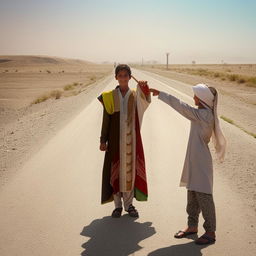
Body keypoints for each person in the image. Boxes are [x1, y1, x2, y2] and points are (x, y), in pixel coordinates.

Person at [150, 84, 226, 245]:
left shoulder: (204, 115)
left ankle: (210, 232)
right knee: (192, 194)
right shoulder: (202, 113)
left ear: (203, 99)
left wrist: (161, 94)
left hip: (201, 161)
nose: (193, 99)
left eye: (196, 96)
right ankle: (192, 226)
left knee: (204, 196)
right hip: (194, 158)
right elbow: (185, 106)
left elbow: (181, 106)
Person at [98, 64, 151, 218]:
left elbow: (146, 100)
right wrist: (103, 140)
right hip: (114, 142)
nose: (123, 78)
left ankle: (129, 205)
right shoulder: (109, 96)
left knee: (128, 172)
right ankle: (117, 206)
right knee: (115, 173)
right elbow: (106, 120)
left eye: (125, 75)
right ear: (116, 77)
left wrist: (144, 88)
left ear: (129, 77)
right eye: (120, 75)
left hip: (131, 141)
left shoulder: (135, 95)